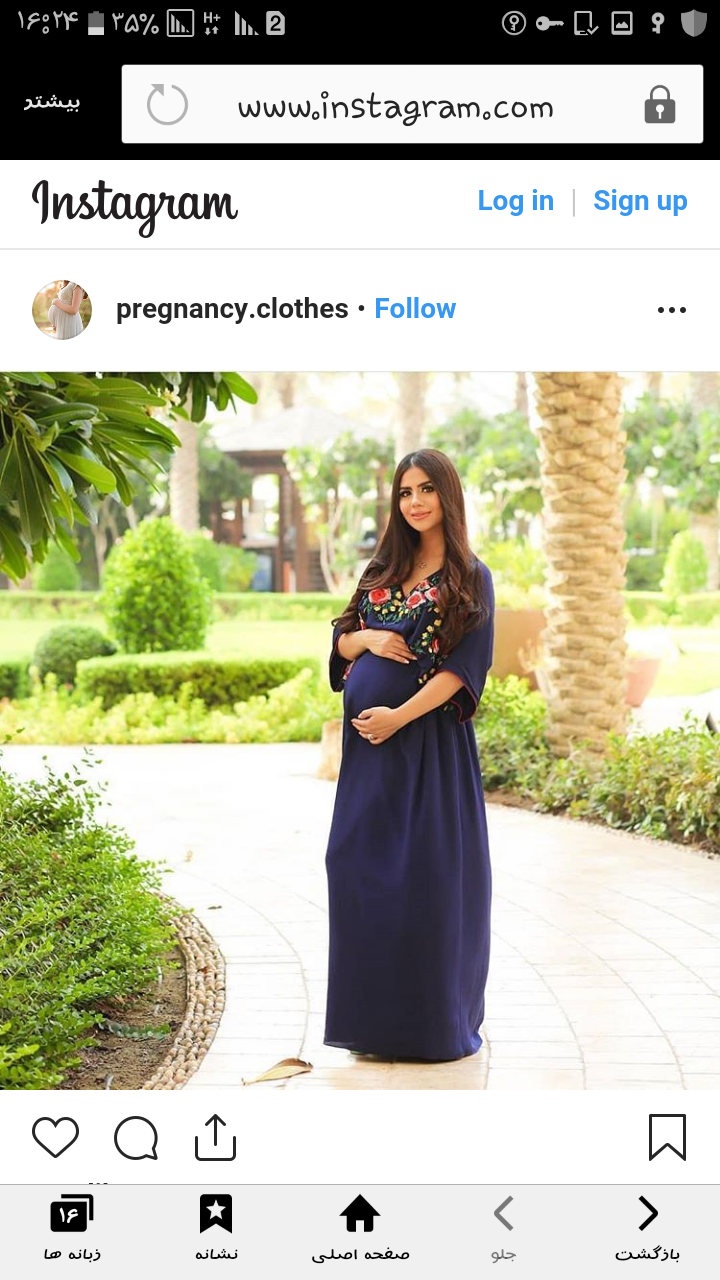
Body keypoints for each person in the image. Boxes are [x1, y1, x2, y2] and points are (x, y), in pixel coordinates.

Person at [324, 447, 495, 1062]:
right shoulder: (383, 567)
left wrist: (399, 716)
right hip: (368, 759)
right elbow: (341, 641)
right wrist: (367, 638)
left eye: (426, 489)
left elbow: (463, 669)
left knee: (426, 881)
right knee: (353, 867)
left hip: (428, 751)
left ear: (447, 495)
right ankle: (371, 1025)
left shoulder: (470, 577)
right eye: (405, 491)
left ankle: (429, 1028)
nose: (415, 502)